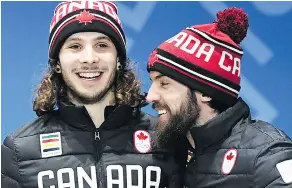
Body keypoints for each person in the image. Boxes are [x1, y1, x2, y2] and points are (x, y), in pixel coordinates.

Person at [1, 1, 187, 188]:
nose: (89, 59)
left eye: (101, 45)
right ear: (57, 63)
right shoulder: (19, 150)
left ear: (118, 60)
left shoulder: (166, 140)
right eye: (75, 46)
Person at [146, 7, 292, 188]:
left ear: (206, 92)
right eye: (152, 82)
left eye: (164, 84)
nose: (150, 96)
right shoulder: (171, 149)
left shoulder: (265, 156)